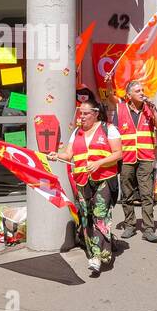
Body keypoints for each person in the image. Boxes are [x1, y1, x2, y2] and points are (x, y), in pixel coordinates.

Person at [51, 99, 123, 276]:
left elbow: (119, 154)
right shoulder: (76, 132)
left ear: (96, 113)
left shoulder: (108, 129)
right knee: (86, 217)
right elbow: (69, 155)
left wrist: (99, 163)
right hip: (82, 180)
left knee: (99, 214)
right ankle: (99, 247)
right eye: (80, 113)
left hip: (104, 178)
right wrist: (56, 155)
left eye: (85, 113)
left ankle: (97, 257)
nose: (81, 117)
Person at [113, 79, 157, 243]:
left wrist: (154, 111)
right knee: (127, 193)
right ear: (129, 95)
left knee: (147, 194)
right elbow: (114, 134)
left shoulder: (149, 109)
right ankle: (130, 225)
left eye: (142, 90)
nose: (142, 93)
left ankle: (148, 228)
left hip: (146, 157)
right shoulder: (120, 109)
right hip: (126, 157)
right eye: (138, 91)